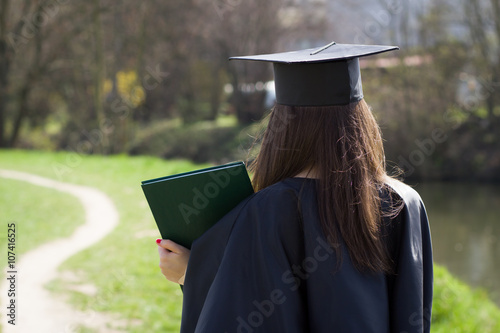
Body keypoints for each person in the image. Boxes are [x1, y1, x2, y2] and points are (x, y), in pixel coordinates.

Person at [157, 42, 433, 332]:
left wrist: (192, 273)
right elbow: (412, 310)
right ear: (362, 119)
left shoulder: (266, 210)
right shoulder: (405, 202)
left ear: (283, 126)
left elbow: (248, 315)